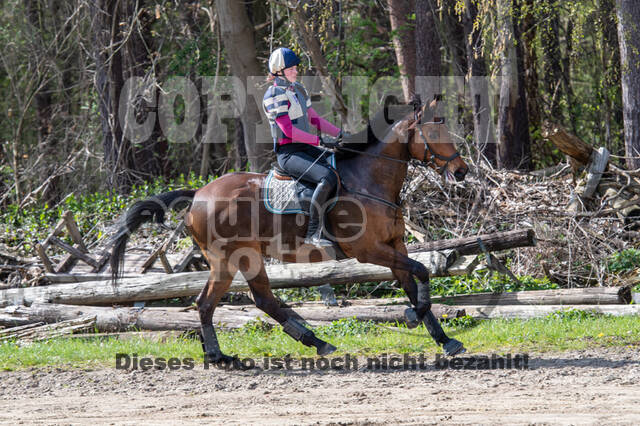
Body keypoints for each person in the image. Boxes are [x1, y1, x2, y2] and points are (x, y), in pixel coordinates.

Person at [263, 47, 343, 247]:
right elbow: (288, 131)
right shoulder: (273, 94)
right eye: (291, 69)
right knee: (327, 177)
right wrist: (319, 141)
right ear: (279, 71)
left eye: (296, 68)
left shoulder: (298, 89)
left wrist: (340, 134)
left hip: (305, 148)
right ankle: (313, 233)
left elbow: (314, 119)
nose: (296, 71)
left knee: (340, 163)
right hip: (289, 153)